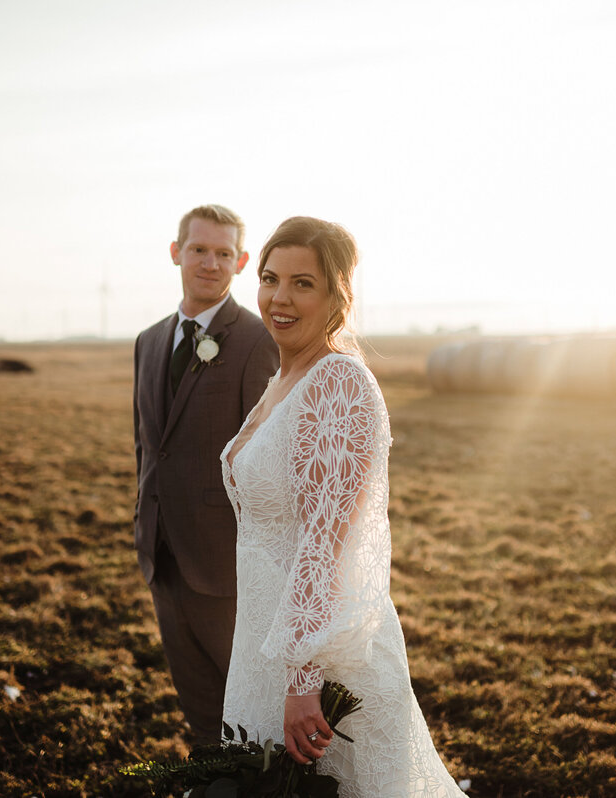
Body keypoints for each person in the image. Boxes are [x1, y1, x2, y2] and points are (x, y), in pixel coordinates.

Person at [220, 217, 466, 796]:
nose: (280, 298)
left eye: (303, 283)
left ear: (338, 296)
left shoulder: (339, 383)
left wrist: (303, 678)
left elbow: (324, 542)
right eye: (270, 279)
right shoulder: (286, 378)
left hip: (323, 665)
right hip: (265, 641)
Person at [133, 204, 280, 745]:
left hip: (226, 567)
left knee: (251, 714)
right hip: (162, 556)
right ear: (177, 253)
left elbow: (266, 465)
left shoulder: (258, 341)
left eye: (223, 253)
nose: (210, 263)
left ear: (241, 262)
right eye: (199, 249)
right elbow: (148, 446)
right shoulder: (148, 341)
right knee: (198, 712)